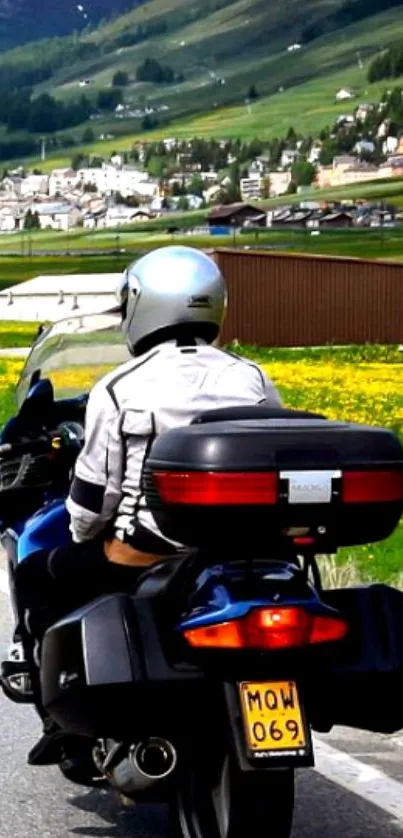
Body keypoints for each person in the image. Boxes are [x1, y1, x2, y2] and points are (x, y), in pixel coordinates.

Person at [3, 245, 282, 769]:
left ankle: (63, 721)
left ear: (142, 305)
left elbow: (90, 504)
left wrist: (90, 536)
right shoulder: (253, 377)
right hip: (243, 553)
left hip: (148, 555)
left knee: (40, 570)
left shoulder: (120, 387)